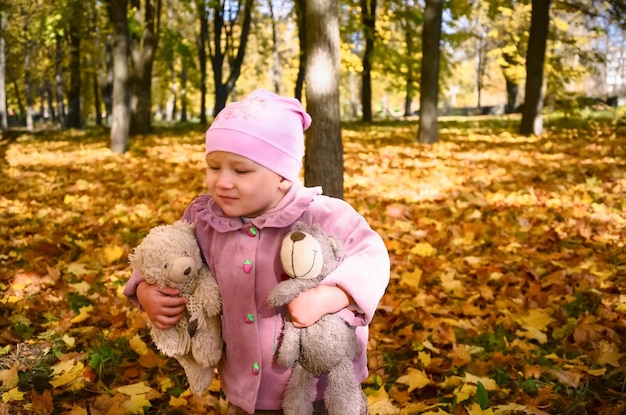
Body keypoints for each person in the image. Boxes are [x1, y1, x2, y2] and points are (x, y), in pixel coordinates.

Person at [124, 89, 390, 415]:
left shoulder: (321, 214)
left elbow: (371, 256)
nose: (222, 182)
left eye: (241, 170)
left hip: (319, 386)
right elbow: (165, 251)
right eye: (213, 166)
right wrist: (145, 289)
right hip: (244, 389)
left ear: (282, 175)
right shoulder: (204, 218)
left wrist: (332, 296)